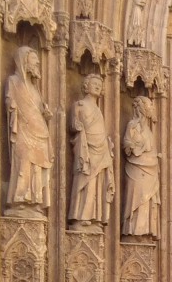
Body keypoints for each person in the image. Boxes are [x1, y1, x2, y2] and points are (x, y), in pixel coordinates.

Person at [4, 46, 52, 213]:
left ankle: (35, 201)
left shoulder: (35, 88)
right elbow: (10, 100)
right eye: (33, 60)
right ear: (24, 61)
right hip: (23, 130)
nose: (37, 63)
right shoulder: (13, 81)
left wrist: (45, 114)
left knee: (37, 169)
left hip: (39, 131)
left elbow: (37, 109)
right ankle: (20, 199)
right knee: (24, 162)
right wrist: (12, 105)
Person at [68, 73, 114, 224]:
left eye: (100, 84)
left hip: (101, 148)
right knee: (86, 179)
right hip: (86, 149)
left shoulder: (99, 110)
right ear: (86, 86)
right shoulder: (79, 105)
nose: (98, 86)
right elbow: (73, 125)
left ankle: (94, 216)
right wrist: (77, 126)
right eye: (94, 83)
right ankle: (81, 216)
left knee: (97, 183)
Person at [122, 95, 161, 237]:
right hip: (136, 169)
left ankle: (145, 231)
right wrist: (134, 148)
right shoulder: (133, 125)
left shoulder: (149, 130)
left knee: (148, 200)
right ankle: (133, 232)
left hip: (150, 169)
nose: (152, 108)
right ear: (142, 108)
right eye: (149, 105)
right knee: (137, 198)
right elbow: (126, 143)